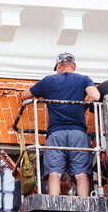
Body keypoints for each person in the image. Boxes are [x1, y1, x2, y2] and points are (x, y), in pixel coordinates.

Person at [20, 52, 100, 197]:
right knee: (81, 173)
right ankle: (84, 203)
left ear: (58, 66)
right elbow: (95, 96)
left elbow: (24, 96)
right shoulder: (83, 79)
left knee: (54, 172)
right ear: (74, 67)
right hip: (78, 133)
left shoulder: (49, 80)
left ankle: (54, 201)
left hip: (56, 133)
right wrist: (83, 106)